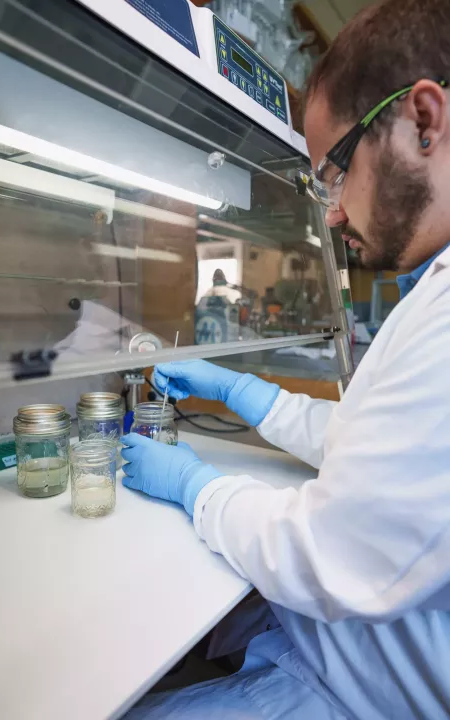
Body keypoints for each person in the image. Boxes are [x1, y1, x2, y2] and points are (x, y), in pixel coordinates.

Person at [121, 1, 450, 717]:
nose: (330, 212)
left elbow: (329, 556)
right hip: (345, 645)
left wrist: (195, 487)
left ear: (425, 120)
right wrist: (250, 396)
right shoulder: (433, 291)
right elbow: (384, 455)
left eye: (334, 172)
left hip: (364, 691)